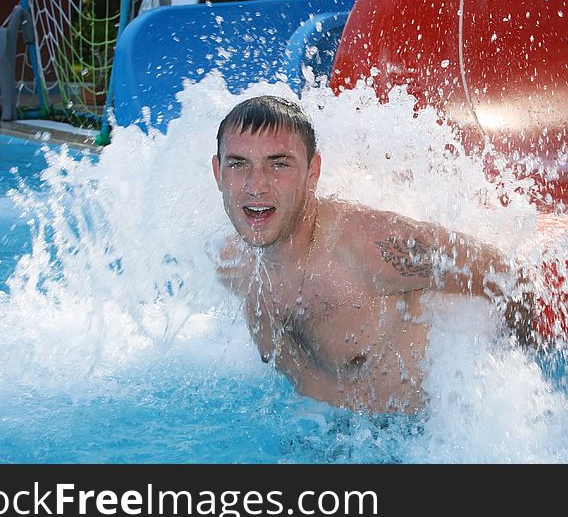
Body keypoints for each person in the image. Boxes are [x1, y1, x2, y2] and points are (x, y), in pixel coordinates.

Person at [211, 95, 534, 413]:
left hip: (411, 440)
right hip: (318, 433)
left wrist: (517, 369)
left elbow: (505, 276)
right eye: (238, 164)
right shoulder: (232, 264)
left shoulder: (373, 250)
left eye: (278, 164)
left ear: (312, 172)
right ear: (218, 173)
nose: (256, 185)